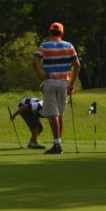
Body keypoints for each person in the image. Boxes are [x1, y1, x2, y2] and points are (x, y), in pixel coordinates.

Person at [32, 21, 81, 154]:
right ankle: (58, 142)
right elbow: (77, 65)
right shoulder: (69, 45)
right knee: (60, 113)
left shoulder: (44, 46)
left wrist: (41, 75)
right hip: (64, 83)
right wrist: (71, 84)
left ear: (50, 32)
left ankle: (57, 145)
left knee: (53, 114)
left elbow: (34, 62)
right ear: (62, 33)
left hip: (51, 82)